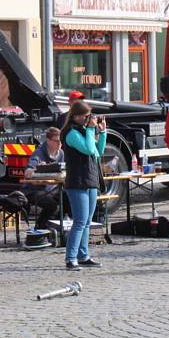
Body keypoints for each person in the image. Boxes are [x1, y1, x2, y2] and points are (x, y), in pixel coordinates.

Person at [61, 100, 106, 271]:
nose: (89, 119)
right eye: (86, 117)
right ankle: (70, 258)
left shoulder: (83, 130)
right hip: (77, 182)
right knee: (79, 221)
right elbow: (87, 149)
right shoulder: (72, 133)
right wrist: (90, 129)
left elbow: (97, 151)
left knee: (87, 221)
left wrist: (102, 132)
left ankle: (83, 255)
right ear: (76, 116)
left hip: (90, 180)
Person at [23, 127, 66, 229]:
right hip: (34, 190)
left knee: (69, 198)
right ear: (48, 141)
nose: (60, 143)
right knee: (51, 204)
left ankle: (57, 226)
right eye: (57, 141)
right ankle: (40, 227)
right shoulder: (39, 153)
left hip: (53, 189)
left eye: (61, 141)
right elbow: (27, 173)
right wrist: (40, 169)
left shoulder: (61, 153)